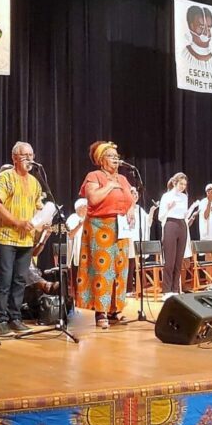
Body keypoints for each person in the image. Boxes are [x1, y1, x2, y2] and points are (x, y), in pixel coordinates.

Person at [75, 141, 135, 329]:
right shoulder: (94, 176)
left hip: (121, 227)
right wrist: (110, 185)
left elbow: (130, 198)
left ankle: (114, 310)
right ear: (101, 160)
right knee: (103, 269)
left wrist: (131, 209)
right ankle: (100, 312)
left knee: (120, 269)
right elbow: (93, 199)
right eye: (110, 155)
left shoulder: (123, 179)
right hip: (100, 227)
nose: (116, 159)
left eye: (117, 156)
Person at [0, 142, 43, 337]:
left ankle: (15, 318)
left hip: (26, 239)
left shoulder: (35, 182)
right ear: (14, 158)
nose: (30, 159)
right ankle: (0, 321)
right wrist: (18, 222)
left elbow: (38, 206)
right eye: (24, 155)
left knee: (20, 279)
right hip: (7, 236)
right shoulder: (5, 178)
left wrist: (43, 219)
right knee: (4, 279)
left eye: (31, 154)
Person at [159, 173, 191, 297]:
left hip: (182, 225)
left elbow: (184, 214)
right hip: (170, 224)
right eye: (181, 184)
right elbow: (160, 216)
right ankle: (166, 290)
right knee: (170, 261)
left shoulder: (184, 197)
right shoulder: (166, 196)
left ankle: (175, 289)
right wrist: (168, 208)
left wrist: (190, 211)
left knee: (179, 261)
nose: (183, 186)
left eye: (185, 184)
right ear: (174, 183)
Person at [120, 187, 158, 289]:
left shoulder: (139, 208)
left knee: (136, 264)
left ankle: (137, 288)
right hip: (128, 239)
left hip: (137, 240)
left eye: (136, 194)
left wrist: (152, 210)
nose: (136, 195)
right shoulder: (124, 208)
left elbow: (147, 222)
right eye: (133, 193)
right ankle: (127, 289)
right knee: (129, 264)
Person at [65, 199, 88, 272]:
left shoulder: (89, 219)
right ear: (80, 207)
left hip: (87, 256)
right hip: (75, 258)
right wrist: (79, 225)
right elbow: (70, 235)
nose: (88, 209)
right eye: (86, 207)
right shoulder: (72, 218)